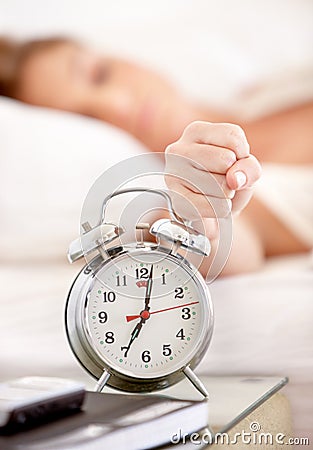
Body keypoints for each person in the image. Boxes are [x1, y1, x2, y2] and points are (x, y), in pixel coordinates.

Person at [0, 37, 312, 274]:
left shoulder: (270, 89)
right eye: (89, 120)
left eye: (99, 75)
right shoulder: (231, 196)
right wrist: (191, 219)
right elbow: (216, 243)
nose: (118, 105)